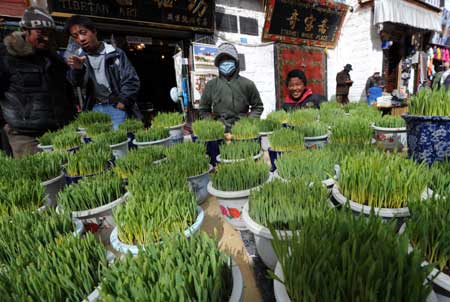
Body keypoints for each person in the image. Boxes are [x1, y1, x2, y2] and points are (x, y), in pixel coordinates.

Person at [0, 7, 76, 158]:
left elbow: (67, 89)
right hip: (26, 136)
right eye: (41, 33)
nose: (46, 38)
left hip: (60, 130)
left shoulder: (53, 59)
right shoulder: (6, 56)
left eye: (50, 34)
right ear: (24, 29)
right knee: (41, 177)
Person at [66, 15, 141, 130]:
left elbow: (131, 79)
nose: (81, 39)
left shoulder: (115, 53)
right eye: (75, 36)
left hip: (116, 107)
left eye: (83, 32)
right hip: (94, 109)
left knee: (121, 141)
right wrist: (77, 69)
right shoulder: (78, 57)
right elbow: (76, 83)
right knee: (100, 143)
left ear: (94, 31)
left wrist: (123, 102)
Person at [199, 43, 264, 132]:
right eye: (222, 60)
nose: (225, 63)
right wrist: (214, 124)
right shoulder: (211, 85)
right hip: (219, 131)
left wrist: (248, 122)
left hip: (243, 130)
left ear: (236, 62)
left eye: (229, 59)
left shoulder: (248, 84)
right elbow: (203, 110)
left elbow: (258, 107)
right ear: (218, 64)